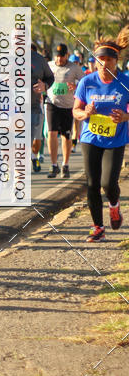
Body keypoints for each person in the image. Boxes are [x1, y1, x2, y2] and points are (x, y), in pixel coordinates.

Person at [73, 28, 129, 241]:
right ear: (95, 61)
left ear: (116, 61)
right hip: (90, 138)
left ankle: (114, 206)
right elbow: (76, 110)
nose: (104, 64)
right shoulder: (87, 82)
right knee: (92, 184)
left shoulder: (125, 82)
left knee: (108, 183)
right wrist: (85, 112)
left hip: (115, 140)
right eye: (100, 59)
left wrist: (124, 117)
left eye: (109, 60)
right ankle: (98, 227)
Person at [45, 43, 84, 179]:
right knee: (51, 133)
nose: (59, 59)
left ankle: (65, 165)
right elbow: (41, 79)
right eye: (57, 56)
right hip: (52, 103)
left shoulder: (74, 68)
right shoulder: (49, 65)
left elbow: (84, 82)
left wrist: (76, 86)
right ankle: (54, 165)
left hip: (68, 106)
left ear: (67, 55)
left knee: (66, 136)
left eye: (62, 56)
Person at [30, 42, 55, 172]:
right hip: (11, 109)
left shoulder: (38, 60)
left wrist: (44, 86)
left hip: (33, 107)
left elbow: (50, 77)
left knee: (36, 138)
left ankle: (34, 157)